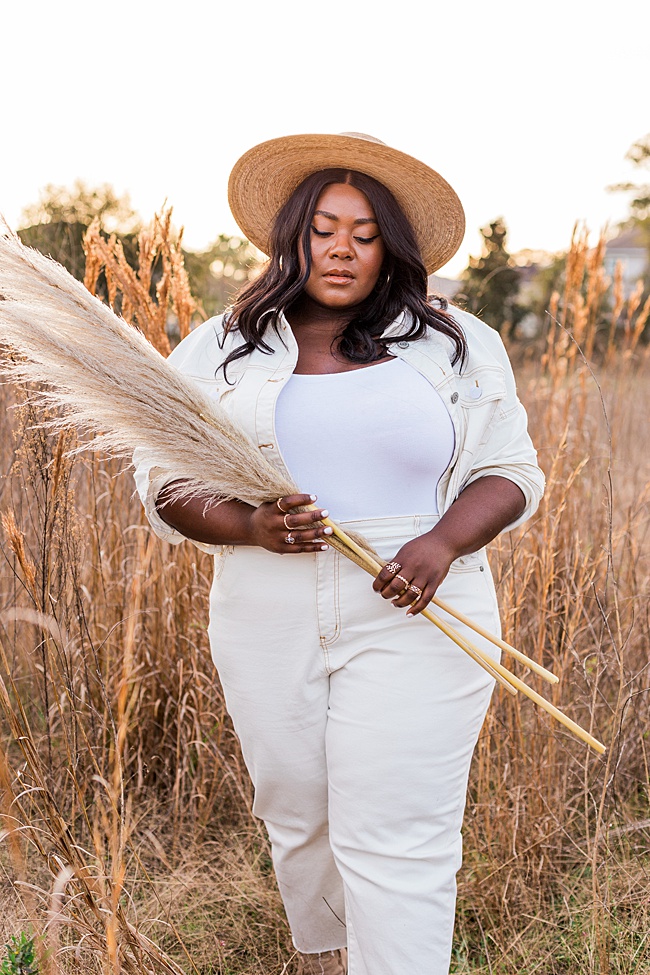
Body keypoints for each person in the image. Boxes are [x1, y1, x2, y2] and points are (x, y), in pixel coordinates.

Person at [134, 132, 544, 975]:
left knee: (396, 830)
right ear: (293, 235)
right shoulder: (220, 347)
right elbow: (162, 483)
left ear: (391, 245)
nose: (343, 249)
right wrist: (248, 524)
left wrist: (441, 541)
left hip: (421, 603)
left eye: (364, 232)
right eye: (325, 229)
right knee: (300, 812)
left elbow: (511, 471)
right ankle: (329, 957)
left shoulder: (454, 341)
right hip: (264, 610)